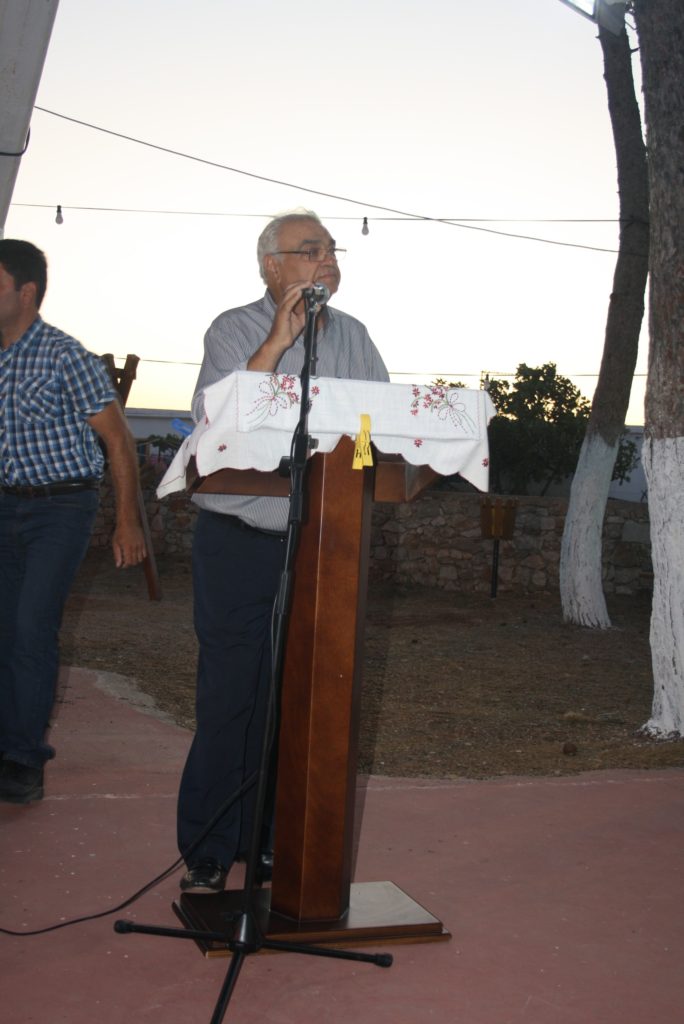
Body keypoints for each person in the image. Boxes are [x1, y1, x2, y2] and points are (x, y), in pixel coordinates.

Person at [177, 211, 389, 893]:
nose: (327, 260)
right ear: (271, 266)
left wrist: (369, 452)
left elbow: (378, 432)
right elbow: (217, 423)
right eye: (310, 250)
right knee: (231, 695)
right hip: (238, 542)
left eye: (331, 249)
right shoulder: (233, 329)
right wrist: (278, 341)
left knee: (298, 699)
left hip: (321, 546)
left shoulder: (355, 337)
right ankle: (210, 849)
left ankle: (274, 843)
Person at [0, 239, 146, 805]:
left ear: (26, 292)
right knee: (6, 629)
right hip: (4, 505)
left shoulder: (66, 356)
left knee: (31, 628)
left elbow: (119, 440)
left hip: (59, 509)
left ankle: (22, 759)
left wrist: (127, 522)